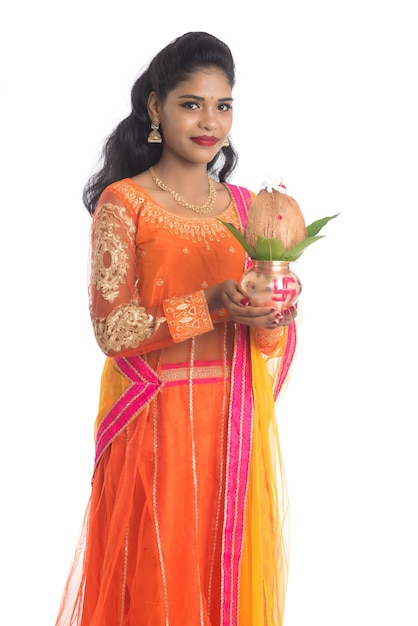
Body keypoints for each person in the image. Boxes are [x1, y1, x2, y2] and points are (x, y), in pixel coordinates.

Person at [55, 31, 298, 626]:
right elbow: (113, 332)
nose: (210, 121)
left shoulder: (248, 208)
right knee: (158, 583)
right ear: (155, 108)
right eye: (192, 104)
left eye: (223, 105)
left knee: (226, 584)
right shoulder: (125, 203)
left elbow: (267, 342)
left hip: (231, 424)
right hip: (153, 426)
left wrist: (275, 311)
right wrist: (213, 300)